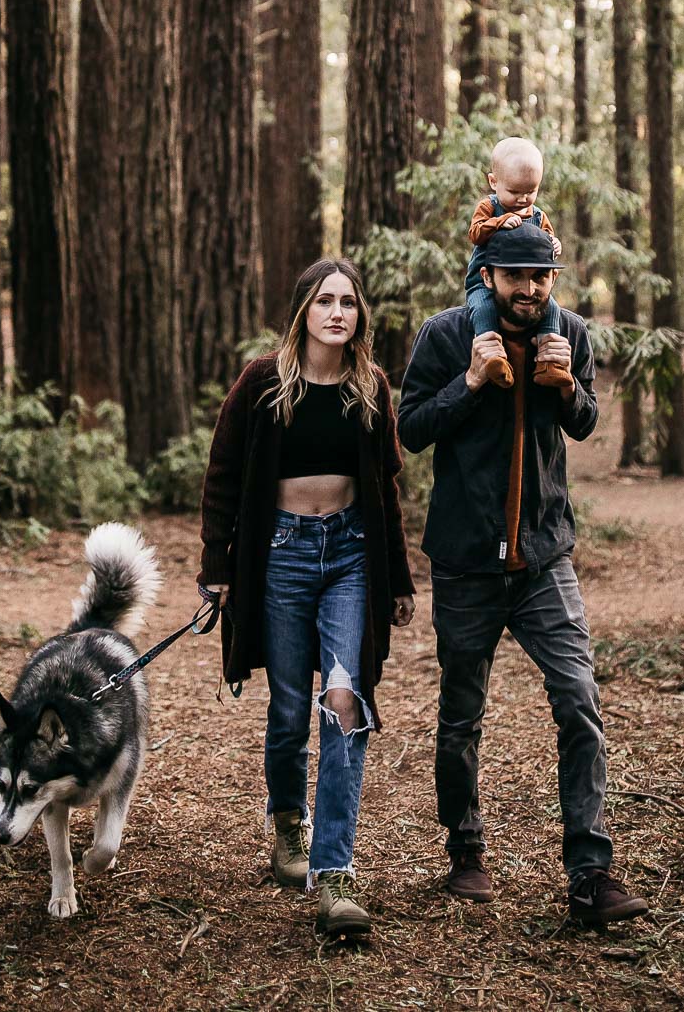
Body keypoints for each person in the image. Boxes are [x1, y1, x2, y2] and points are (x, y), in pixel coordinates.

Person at [397, 221, 648, 927]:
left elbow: (586, 422)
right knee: (460, 717)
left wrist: (567, 387)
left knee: (579, 702)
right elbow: (409, 427)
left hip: (544, 559)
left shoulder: (568, 333)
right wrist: (471, 381)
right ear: (489, 277)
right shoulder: (445, 335)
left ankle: (590, 873)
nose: (529, 290)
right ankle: (466, 847)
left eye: (540, 279)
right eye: (515, 277)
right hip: (466, 564)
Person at [199, 257, 415, 939]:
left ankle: (336, 873)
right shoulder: (263, 383)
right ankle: (288, 824)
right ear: (303, 311)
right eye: (324, 301)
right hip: (281, 558)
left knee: (344, 702)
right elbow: (223, 474)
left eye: (348, 303)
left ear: (360, 317)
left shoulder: (371, 386)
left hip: (351, 553)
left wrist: (400, 577)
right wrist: (216, 568)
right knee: (291, 708)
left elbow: (386, 487)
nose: (337, 313)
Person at [465, 137, 562, 391]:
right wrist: (499, 222)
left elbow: (548, 236)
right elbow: (475, 233)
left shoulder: (538, 214)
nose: (523, 199)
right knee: (483, 310)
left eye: (530, 192)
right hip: (484, 283)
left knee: (552, 308)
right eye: (515, 192)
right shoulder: (490, 207)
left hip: (517, 285)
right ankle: (494, 359)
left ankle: (548, 363)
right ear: (494, 182)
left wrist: (554, 243)